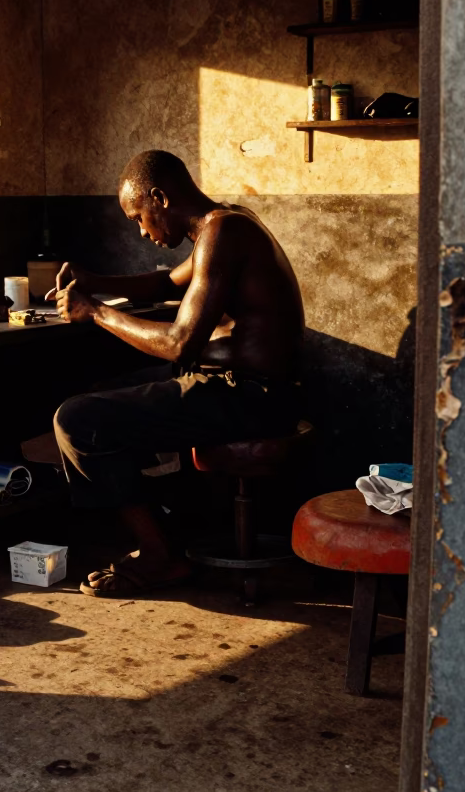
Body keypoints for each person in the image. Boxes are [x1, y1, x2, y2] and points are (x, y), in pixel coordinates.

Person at [50, 150, 305, 597]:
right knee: (101, 395)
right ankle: (168, 527)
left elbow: (179, 343)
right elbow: (165, 282)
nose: (141, 231)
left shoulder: (224, 232)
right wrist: (94, 280)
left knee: (78, 420)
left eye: (138, 217)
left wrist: (95, 313)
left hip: (252, 398)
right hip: (241, 391)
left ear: (159, 197)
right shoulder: (225, 224)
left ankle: (158, 555)